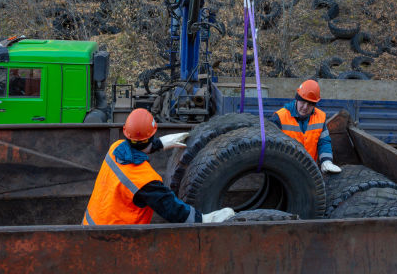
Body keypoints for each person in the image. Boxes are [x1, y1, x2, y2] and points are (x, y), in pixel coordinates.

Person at [82, 108, 234, 225]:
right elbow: (173, 210)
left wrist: (160, 144)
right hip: (114, 242)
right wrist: (204, 219)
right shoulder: (146, 181)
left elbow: (135, 148)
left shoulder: (115, 148)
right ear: (151, 136)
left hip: (89, 227)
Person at [269, 79, 341, 174]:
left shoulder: (320, 117)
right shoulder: (279, 118)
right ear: (297, 99)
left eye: (310, 104)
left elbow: (324, 142)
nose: (305, 107)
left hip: (310, 172)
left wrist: (326, 161)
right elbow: (269, 146)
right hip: (284, 172)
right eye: (303, 102)